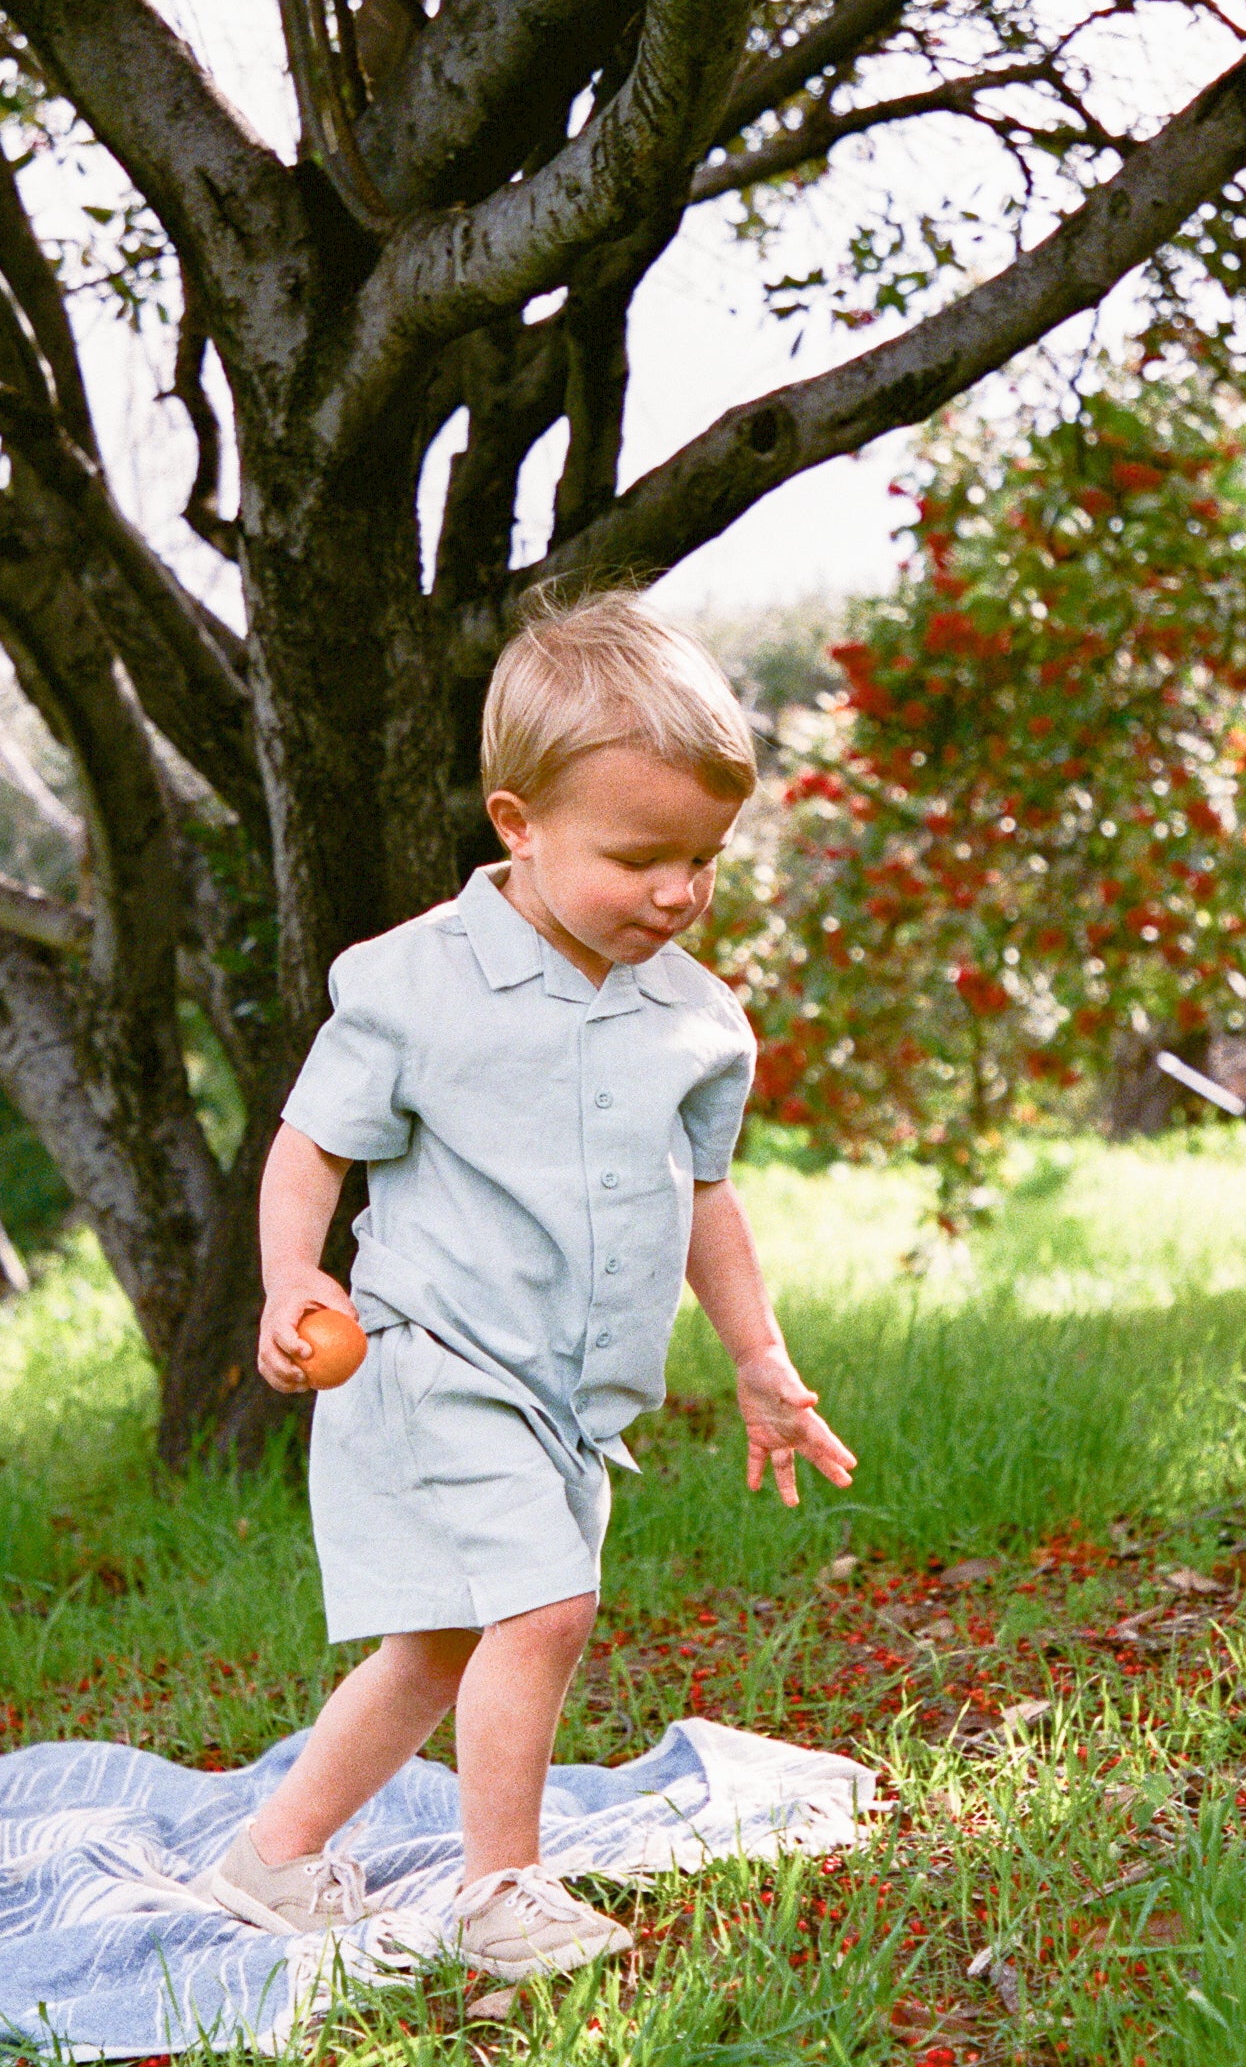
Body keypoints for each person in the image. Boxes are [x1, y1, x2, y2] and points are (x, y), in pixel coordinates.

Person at [207, 590, 855, 1979]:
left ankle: (269, 1856)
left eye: (705, 858)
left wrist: (757, 1355)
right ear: (518, 824)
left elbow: (706, 1197)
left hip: (572, 1397)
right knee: (547, 1609)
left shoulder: (692, 1013)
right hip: (437, 1355)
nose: (678, 893)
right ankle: (501, 1888)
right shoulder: (415, 985)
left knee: (440, 1641)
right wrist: (286, 1279)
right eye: (641, 858)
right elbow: (310, 1145)